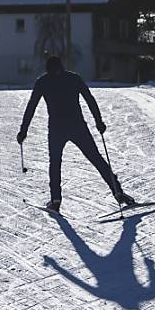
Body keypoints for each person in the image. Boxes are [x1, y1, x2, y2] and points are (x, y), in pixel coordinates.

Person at [17, 56, 133, 213]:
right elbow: (90, 100)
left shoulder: (43, 82)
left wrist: (24, 130)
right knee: (96, 158)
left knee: (55, 163)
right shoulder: (74, 78)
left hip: (57, 128)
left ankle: (56, 200)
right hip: (77, 126)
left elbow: (31, 107)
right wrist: (98, 121)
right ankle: (117, 192)